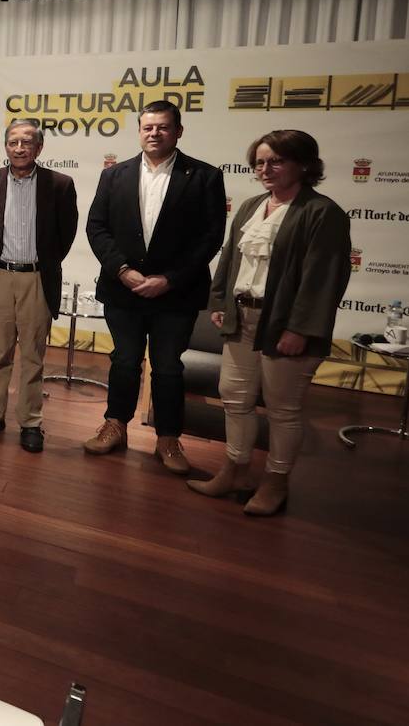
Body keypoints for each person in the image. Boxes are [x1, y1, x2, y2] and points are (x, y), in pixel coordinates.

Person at [188, 130, 350, 515]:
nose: (265, 169)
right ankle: (235, 470)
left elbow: (323, 280)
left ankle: (276, 483)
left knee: (282, 408)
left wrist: (300, 329)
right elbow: (230, 260)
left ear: (304, 164)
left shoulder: (322, 213)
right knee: (235, 398)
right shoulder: (249, 207)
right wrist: (220, 301)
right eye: (259, 162)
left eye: (276, 161)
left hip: (285, 325)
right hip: (242, 318)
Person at [83, 99, 226, 472]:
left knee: (167, 367)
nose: (154, 133)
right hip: (123, 290)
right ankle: (115, 425)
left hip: (175, 294)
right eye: (148, 127)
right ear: (139, 130)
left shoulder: (205, 176)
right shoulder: (115, 175)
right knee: (124, 361)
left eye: (163, 127)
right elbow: (97, 227)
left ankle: (168, 439)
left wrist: (170, 279)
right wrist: (122, 270)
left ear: (178, 131)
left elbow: (210, 237)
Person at [0, 120, 79, 452]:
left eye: (26, 142)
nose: (19, 148)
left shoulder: (59, 184)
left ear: (39, 148)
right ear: (6, 146)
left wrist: (41, 261)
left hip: (37, 278)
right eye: (13, 142)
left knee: (33, 353)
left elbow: (65, 234)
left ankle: (30, 421)